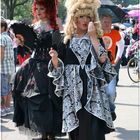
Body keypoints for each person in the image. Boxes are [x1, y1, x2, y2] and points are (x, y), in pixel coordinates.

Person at [48, 0, 117, 140]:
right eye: (81, 16)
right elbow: (58, 71)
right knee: (76, 129)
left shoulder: (96, 38)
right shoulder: (65, 40)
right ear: (74, 17)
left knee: (93, 129)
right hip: (72, 92)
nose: (85, 20)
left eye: (88, 17)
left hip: (92, 92)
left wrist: (93, 37)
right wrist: (55, 60)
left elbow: (104, 61)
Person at [12, 0, 63, 140]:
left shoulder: (56, 24)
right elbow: (32, 48)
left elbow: (59, 46)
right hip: (35, 66)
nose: (39, 12)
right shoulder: (34, 26)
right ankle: (42, 132)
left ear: (50, 10)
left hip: (51, 65)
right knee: (33, 97)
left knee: (52, 99)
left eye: (42, 9)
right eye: (37, 9)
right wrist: (23, 43)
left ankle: (50, 133)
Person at [100, 14, 124, 120]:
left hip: (110, 66)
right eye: (105, 22)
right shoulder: (96, 34)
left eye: (109, 22)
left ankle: (111, 110)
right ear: (100, 22)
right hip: (97, 66)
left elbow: (121, 46)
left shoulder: (115, 33)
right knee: (101, 92)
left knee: (110, 91)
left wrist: (117, 59)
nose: (107, 24)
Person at [0, 20, 15, 117]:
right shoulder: (9, 38)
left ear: (3, 28)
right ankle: (8, 107)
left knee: (2, 89)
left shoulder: (1, 38)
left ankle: (2, 108)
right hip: (10, 67)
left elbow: (1, 53)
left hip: (3, 67)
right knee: (8, 88)